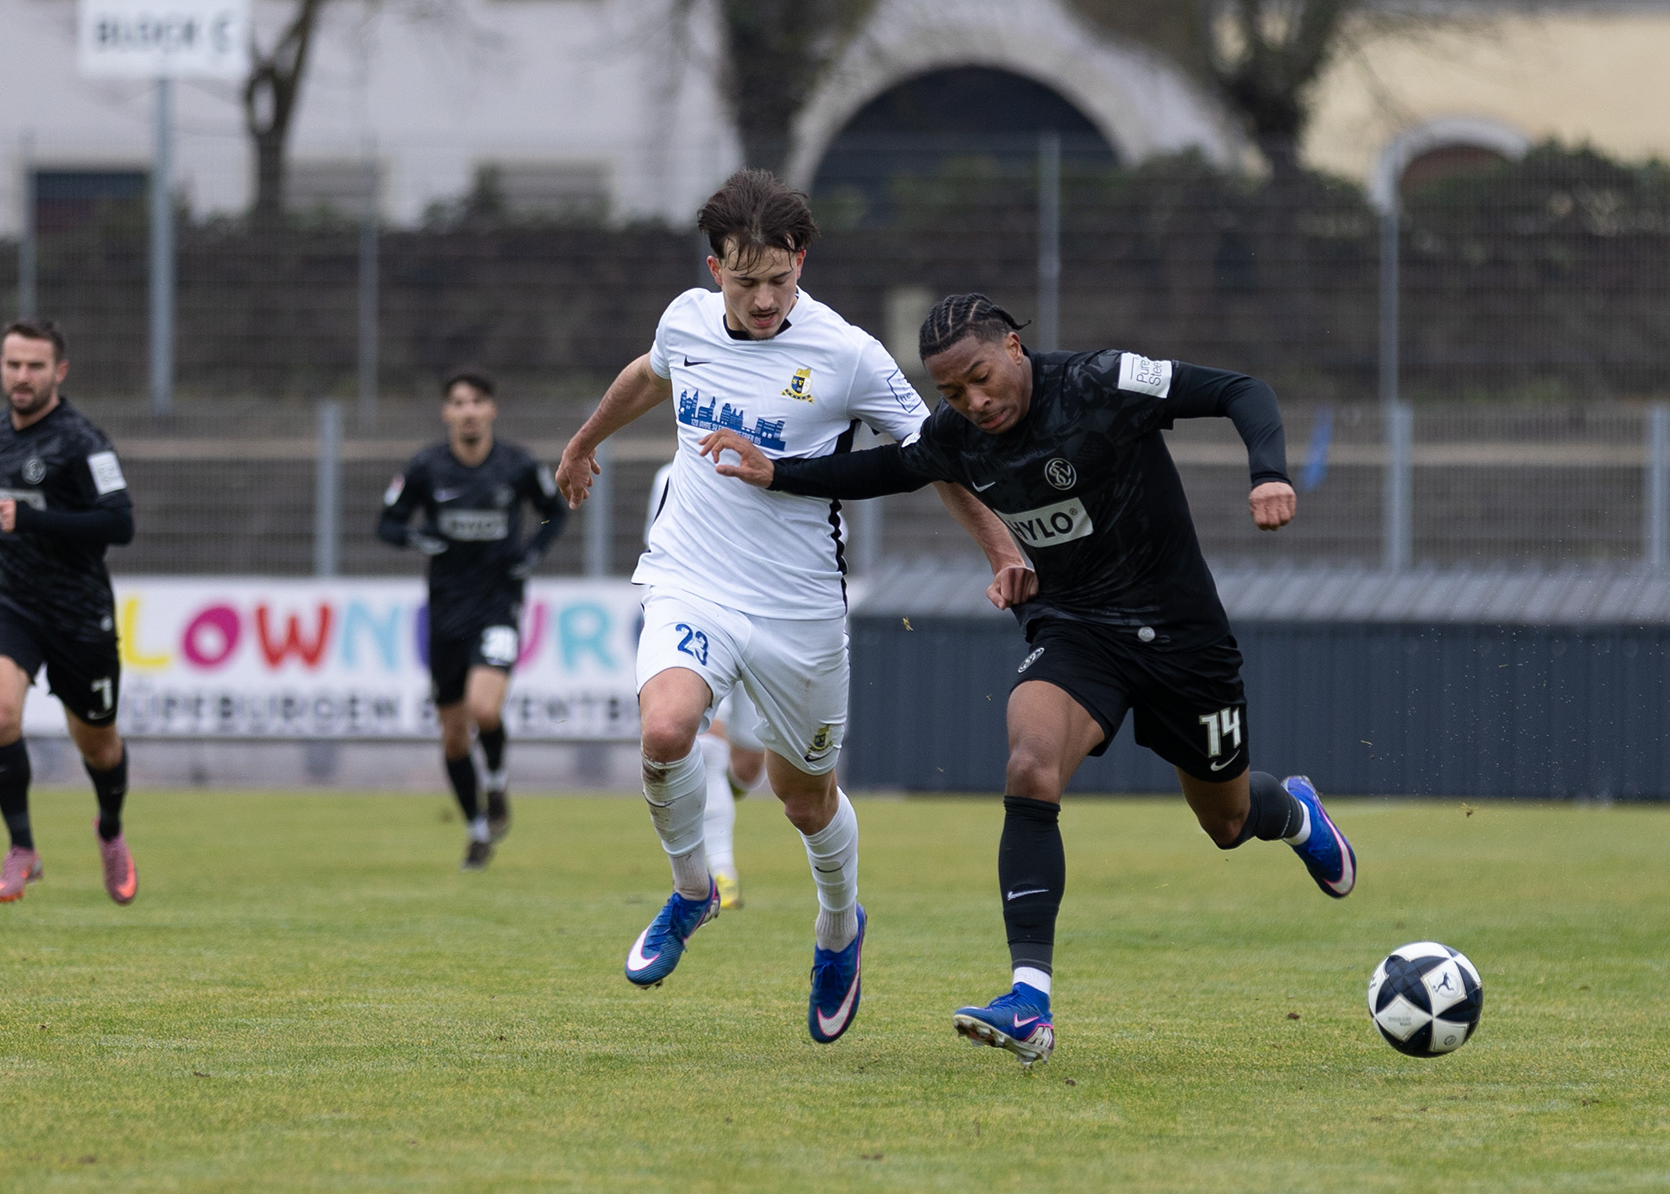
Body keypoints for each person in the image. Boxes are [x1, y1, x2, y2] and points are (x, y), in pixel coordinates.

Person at [701, 293, 1357, 1065]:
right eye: (951, 392)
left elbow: (1241, 390)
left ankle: (1297, 815)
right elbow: (890, 466)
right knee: (1029, 764)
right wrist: (777, 472)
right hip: (1077, 629)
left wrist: (1268, 474)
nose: (972, 402)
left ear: (1013, 347)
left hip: (1184, 638)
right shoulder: (958, 436)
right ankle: (1029, 1002)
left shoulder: (1100, 383)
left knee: (1227, 821)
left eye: (980, 377)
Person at [556, 171, 1017, 1043]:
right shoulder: (685, 320)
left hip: (797, 608)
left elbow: (933, 453)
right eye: (745, 282)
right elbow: (649, 376)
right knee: (666, 730)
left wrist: (1000, 548)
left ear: (801, 261)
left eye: (779, 278)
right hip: (692, 576)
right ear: (715, 270)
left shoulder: (846, 353)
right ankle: (693, 891)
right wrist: (583, 444)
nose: (764, 299)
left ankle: (839, 929)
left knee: (801, 797)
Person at [0, 320, 137, 906]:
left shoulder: (83, 441)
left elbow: (120, 523)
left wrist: (33, 520)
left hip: (79, 612)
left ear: (59, 371)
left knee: (98, 745)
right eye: (13, 364)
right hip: (10, 600)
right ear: (0, 367)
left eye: (35, 366)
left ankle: (110, 830)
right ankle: (22, 849)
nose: (22, 376)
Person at [378, 370, 569, 870]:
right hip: (446, 612)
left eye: (477, 401)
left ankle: (498, 779)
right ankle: (477, 829)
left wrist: (532, 551)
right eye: (459, 403)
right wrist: (417, 538)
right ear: (447, 412)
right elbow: (387, 523)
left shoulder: (517, 465)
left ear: (491, 410)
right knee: (453, 735)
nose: (468, 411)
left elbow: (554, 511)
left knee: (484, 709)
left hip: (497, 604)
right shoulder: (427, 467)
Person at [646, 462, 768, 908]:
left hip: (766, 622)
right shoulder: (670, 475)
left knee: (748, 765)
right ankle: (720, 873)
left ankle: (707, 807)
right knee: (709, 745)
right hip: (699, 620)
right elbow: (658, 549)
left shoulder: (780, 466)